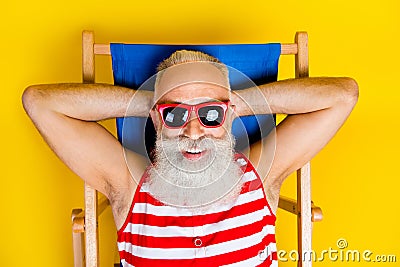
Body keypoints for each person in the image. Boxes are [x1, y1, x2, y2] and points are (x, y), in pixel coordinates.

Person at [22, 50, 358, 266]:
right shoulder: (130, 183)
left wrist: (235, 103)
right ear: (156, 120)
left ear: (230, 115)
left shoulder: (259, 174)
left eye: (211, 114)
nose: (194, 131)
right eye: (176, 115)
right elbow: (40, 102)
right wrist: (151, 105)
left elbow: (343, 95)